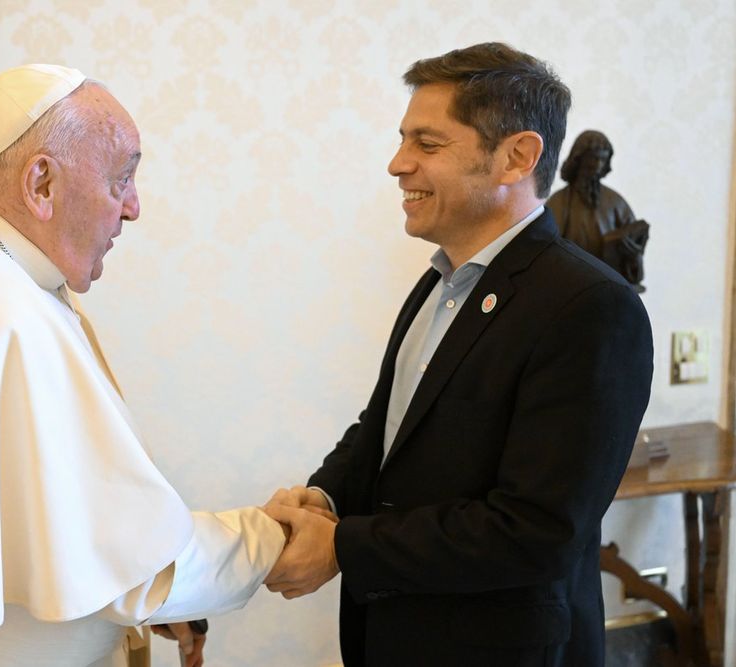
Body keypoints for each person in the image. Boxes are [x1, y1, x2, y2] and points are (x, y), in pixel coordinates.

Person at [0, 64, 285, 667]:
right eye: (121, 180)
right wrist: (275, 541)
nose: (134, 208)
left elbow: (70, 537)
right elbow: (128, 570)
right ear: (41, 184)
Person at [263, 43, 653, 667]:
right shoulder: (438, 283)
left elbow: (537, 531)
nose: (397, 164)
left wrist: (344, 547)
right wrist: (325, 499)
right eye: (402, 140)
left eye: (428, 143)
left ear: (516, 157)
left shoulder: (591, 308)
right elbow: (386, 432)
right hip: (396, 635)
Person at [547, 130, 649, 291]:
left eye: (603, 159)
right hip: (570, 287)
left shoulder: (616, 202)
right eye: (593, 158)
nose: (597, 165)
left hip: (611, 287)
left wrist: (631, 249)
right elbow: (547, 248)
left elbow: (634, 250)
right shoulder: (559, 202)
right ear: (579, 159)